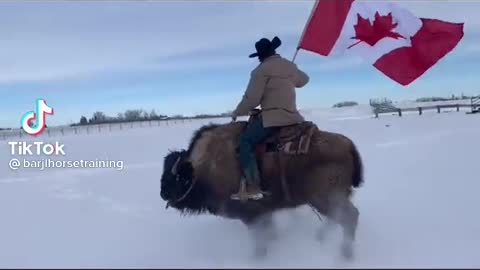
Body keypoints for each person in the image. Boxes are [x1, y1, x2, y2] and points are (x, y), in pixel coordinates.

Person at [230, 36, 310, 201]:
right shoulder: (289, 66)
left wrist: (237, 112)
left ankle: (253, 186)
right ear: (274, 51)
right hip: (294, 117)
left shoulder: (260, 70)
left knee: (245, 142)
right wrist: (290, 71)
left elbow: (252, 100)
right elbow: (304, 80)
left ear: (260, 56)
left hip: (273, 119)